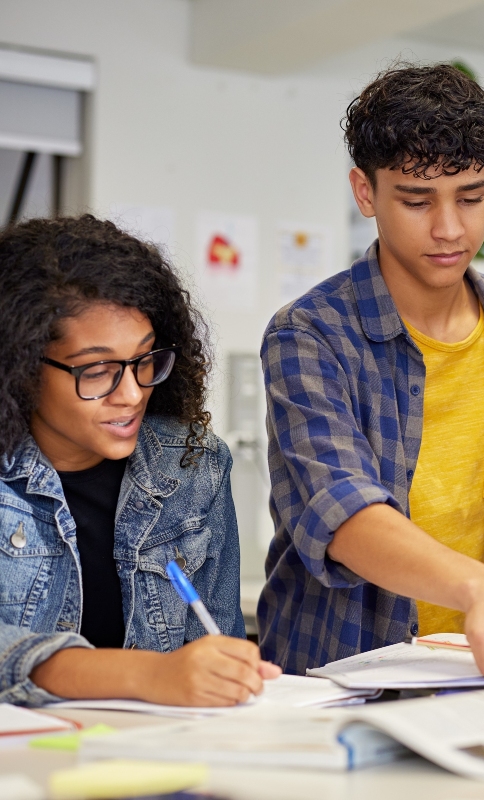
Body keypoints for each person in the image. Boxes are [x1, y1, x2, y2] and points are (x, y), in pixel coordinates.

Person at [259, 63, 484, 702]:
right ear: (365, 193)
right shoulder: (310, 335)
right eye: (416, 200)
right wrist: (482, 588)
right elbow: (346, 518)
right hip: (344, 683)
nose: (450, 229)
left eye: (472, 197)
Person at [0, 215, 280, 707]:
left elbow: (214, 645)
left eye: (145, 360)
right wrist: (145, 675)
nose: (131, 394)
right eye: (97, 370)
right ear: (20, 365)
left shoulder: (193, 465)